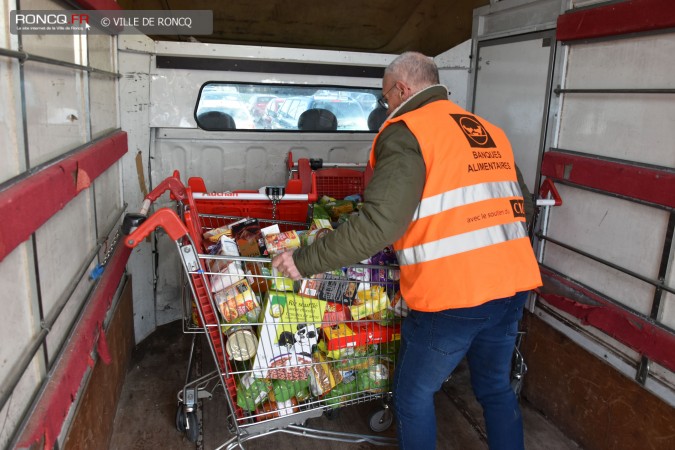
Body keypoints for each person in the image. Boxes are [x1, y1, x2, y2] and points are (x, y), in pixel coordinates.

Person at [272, 51, 542, 450]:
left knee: (412, 396)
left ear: (402, 89)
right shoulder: (487, 129)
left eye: (385, 99)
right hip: (513, 286)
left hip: (453, 297)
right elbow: (526, 207)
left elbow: (381, 224)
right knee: (495, 389)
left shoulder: (407, 130)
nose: (387, 108)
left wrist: (304, 260)